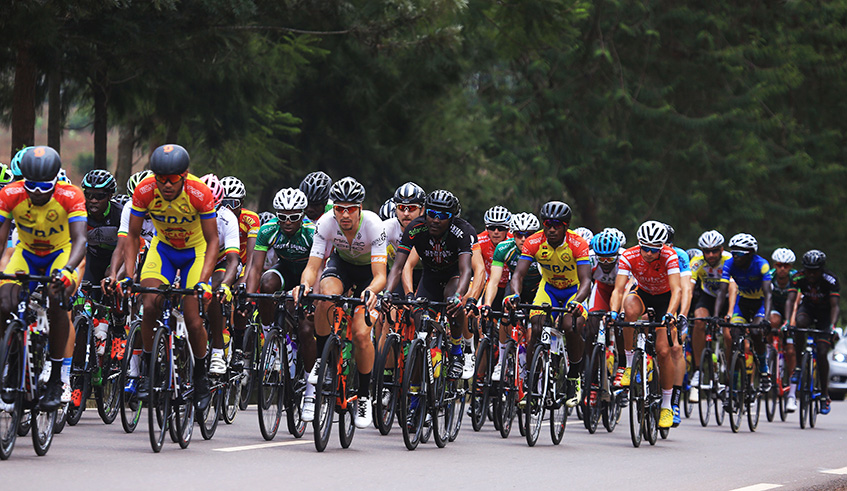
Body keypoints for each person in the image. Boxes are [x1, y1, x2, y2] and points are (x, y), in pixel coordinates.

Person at [110, 144, 219, 411]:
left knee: (193, 319)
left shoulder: (199, 193)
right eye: (160, 178)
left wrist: (204, 280)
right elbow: (133, 236)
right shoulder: (145, 190)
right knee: (149, 304)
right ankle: (147, 371)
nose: (166, 185)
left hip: (196, 251)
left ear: (185, 175)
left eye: (172, 179)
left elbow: (213, 240)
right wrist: (130, 274)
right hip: (164, 250)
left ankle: (201, 376)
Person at [292, 177, 385, 429]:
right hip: (341, 265)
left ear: (360, 208)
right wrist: (304, 285)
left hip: (368, 273)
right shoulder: (325, 223)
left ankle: (364, 395)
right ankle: (323, 358)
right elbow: (312, 267)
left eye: (351, 209)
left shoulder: (374, 225)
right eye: (339, 208)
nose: (345, 214)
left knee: (360, 334)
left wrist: (371, 292)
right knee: (325, 296)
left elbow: (380, 276)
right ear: (333, 208)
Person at [0, 146, 87, 411]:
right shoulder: (10, 194)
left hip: (60, 255)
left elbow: (80, 239)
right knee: (4, 302)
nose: (38, 193)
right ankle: (14, 363)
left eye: (44, 187)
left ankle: (55, 380)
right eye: (32, 186)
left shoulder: (70, 196)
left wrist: (68, 270)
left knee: (57, 300)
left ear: (55, 182)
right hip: (26, 254)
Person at [383, 189, 474, 407]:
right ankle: (415, 398)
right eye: (431, 213)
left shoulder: (461, 231)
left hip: (453, 277)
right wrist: (387, 292)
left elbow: (467, 270)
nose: (435, 219)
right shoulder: (416, 228)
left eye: (442, 216)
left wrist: (460, 296)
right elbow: (398, 266)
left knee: (452, 301)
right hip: (430, 278)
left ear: (451, 217)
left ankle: (456, 348)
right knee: (419, 335)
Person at [507, 201, 591, 408]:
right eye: (547, 224)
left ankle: (573, 378)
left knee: (570, 326)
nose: (551, 229)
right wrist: (516, 295)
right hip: (549, 289)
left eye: (557, 224)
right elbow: (518, 274)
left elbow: (587, 281)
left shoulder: (577, 243)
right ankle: (531, 384)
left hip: (574, 290)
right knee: (535, 325)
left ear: (566, 225)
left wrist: (578, 302)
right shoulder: (534, 241)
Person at [245, 188, 317, 420]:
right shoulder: (269, 230)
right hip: (284, 270)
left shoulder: (311, 232)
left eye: (293, 216)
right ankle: (272, 338)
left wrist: (312, 294)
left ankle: (310, 390)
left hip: (309, 275)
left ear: (302, 214)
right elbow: (256, 268)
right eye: (282, 216)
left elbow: (320, 267)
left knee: (306, 329)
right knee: (266, 285)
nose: (287, 222)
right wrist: (249, 296)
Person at [609, 220, 682, 428]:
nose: (649, 253)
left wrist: (670, 314)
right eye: (645, 248)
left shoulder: (670, 255)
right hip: (643, 293)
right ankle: (630, 366)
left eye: (654, 249)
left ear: (662, 247)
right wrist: (614, 312)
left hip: (665, 298)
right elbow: (619, 289)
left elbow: (677, 290)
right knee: (627, 312)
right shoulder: (629, 255)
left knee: (663, 351)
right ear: (639, 243)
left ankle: (667, 406)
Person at [483, 212, 541, 382]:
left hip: (539, 289)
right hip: (517, 286)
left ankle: (536, 374)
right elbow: (493, 281)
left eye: (529, 235)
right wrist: (487, 304)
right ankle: (501, 361)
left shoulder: (542, 250)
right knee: (505, 310)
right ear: (512, 234)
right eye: (519, 235)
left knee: (533, 334)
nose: (524, 239)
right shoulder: (503, 249)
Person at [713, 233, 773, 396]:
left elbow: (768, 294)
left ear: (751, 253)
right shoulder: (730, 264)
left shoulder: (762, 265)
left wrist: (766, 319)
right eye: (733, 253)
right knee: (734, 337)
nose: (735, 256)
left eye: (740, 253)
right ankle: (732, 386)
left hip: (760, 303)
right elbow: (722, 290)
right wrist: (716, 315)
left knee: (755, 331)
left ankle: (763, 367)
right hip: (743, 303)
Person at [784, 250, 840, 414]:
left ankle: (824, 395)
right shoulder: (798, 277)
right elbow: (790, 300)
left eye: (815, 271)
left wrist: (832, 326)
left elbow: (835, 306)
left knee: (822, 353)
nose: (811, 274)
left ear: (821, 269)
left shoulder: (830, 280)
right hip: (808, 310)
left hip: (825, 315)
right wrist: (788, 322)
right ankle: (799, 367)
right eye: (808, 270)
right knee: (799, 324)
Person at [200, 174, 241, 376]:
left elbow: (234, 259)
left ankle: (217, 350)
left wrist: (226, 285)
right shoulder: (189, 212)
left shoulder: (227, 218)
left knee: (215, 290)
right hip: (197, 257)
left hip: (221, 260)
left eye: (213, 207)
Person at [80, 170, 122, 284]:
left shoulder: (119, 214)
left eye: (99, 196)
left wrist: (113, 271)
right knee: (83, 289)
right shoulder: (79, 212)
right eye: (89, 195)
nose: (93, 200)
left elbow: (126, 247)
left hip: (114, 258)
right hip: (90, 258)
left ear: (109, 196)